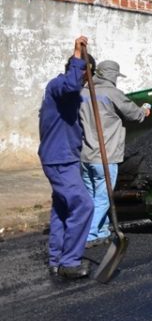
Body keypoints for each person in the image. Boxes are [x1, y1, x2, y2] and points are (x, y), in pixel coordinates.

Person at [39, 36, 95, 279]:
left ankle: (56, 259)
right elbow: (72, 85)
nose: (85, 82)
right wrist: (77, 56)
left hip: (64, 158)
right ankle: (70, 262)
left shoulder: (70, 94)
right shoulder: (59, 87)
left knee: (62, 209)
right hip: (59, 159)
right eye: (85, 76)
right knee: (83, 205)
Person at [79, 60, 150, 246]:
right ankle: (89, 235)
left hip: (85, 156)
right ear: (112, 76)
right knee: (103, 197)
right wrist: (145, 110)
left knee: (91, 197)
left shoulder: (82, 93)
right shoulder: (112, 93)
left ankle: (101, 230)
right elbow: (135, 115)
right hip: (105, 155)